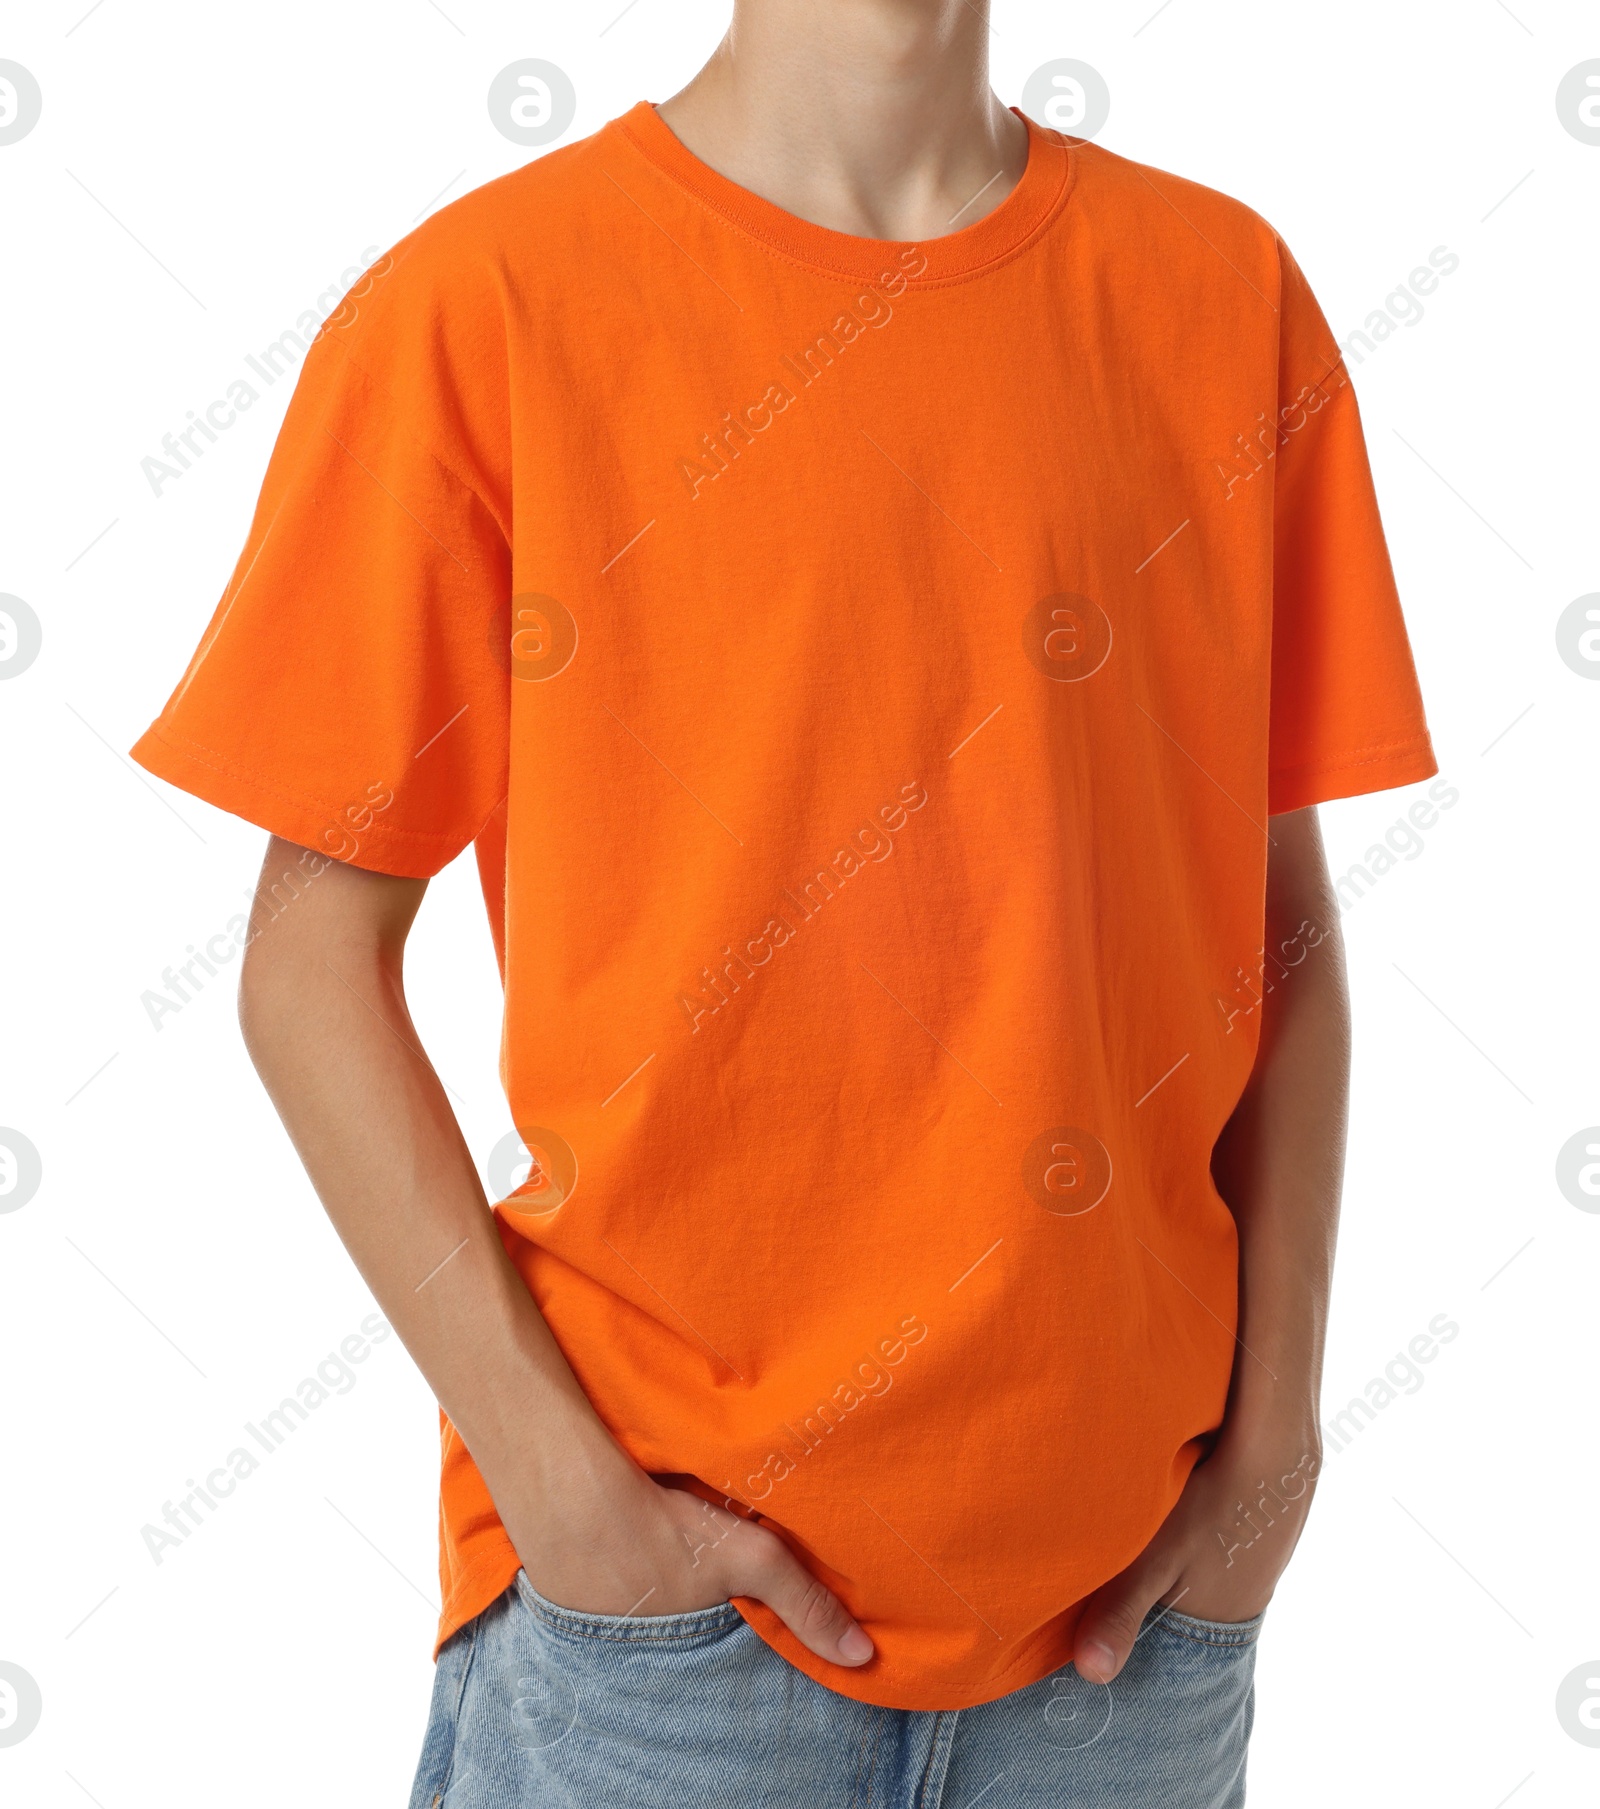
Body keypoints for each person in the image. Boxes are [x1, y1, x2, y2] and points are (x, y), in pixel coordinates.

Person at [130, 3, 1437, 1802]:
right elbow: (305, 968)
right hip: (655, 1657)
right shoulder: (481, 308)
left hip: (1127, 1649)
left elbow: (1274, 921)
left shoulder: (1225, 295)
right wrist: (564, 1493)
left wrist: (1275, 1449)